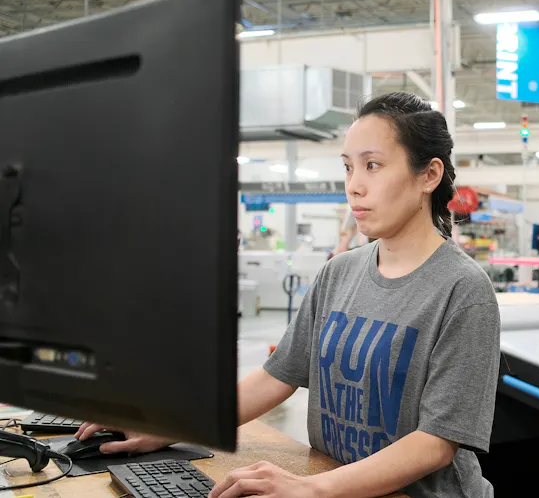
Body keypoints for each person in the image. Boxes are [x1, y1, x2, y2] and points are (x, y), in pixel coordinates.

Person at [75, 91, 502, 498]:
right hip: (339, 484)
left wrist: (311, 488)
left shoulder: (463, 291)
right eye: (348, 167)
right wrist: (178, 425)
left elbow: (436, 443)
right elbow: (277, 376)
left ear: (428, 174)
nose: (354, 185)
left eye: (373, 165)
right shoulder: (340, 272)